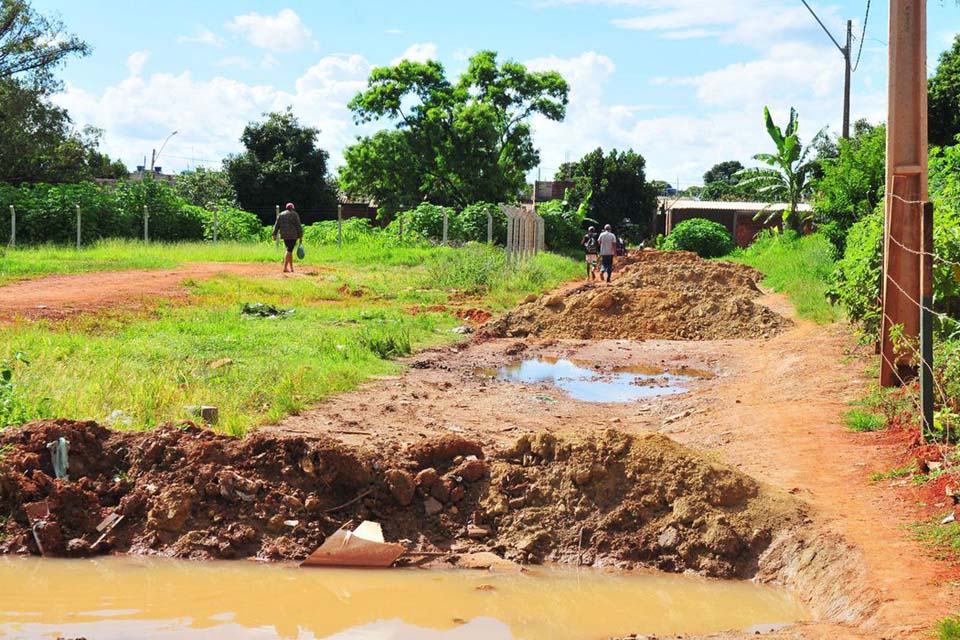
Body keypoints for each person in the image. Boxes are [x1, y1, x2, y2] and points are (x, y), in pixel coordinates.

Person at [272, 202, 303, 273]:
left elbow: (276, 225)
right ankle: (285, 267)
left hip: (284, 235)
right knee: (289, 250)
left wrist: (274, 234)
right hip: (293, 235)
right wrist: (300, 236)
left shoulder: (281, 214)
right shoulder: (295, 214)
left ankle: (291, 268)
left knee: (290, 250)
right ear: (292, 208)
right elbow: (298, 226)